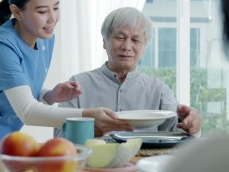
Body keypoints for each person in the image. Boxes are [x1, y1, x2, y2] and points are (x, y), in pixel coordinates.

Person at [0, 0, 133, 144]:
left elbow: (15, 88)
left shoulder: (45, 40)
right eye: (42, 12)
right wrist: (87, 116)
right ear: (17, 12)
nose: (52, 18)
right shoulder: (2, 46)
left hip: (3, 139)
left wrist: (48, 95)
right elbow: (27, 111)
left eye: (55, 8)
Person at [54, 7, 201, 138]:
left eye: (136, 40)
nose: (127, 46)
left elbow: (177, 133)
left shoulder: (158, 89)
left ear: (144, 47)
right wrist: (88, 130)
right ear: (104, 41)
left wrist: (190, 123)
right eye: (120, 37)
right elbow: (60, 138)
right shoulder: (78, 85)